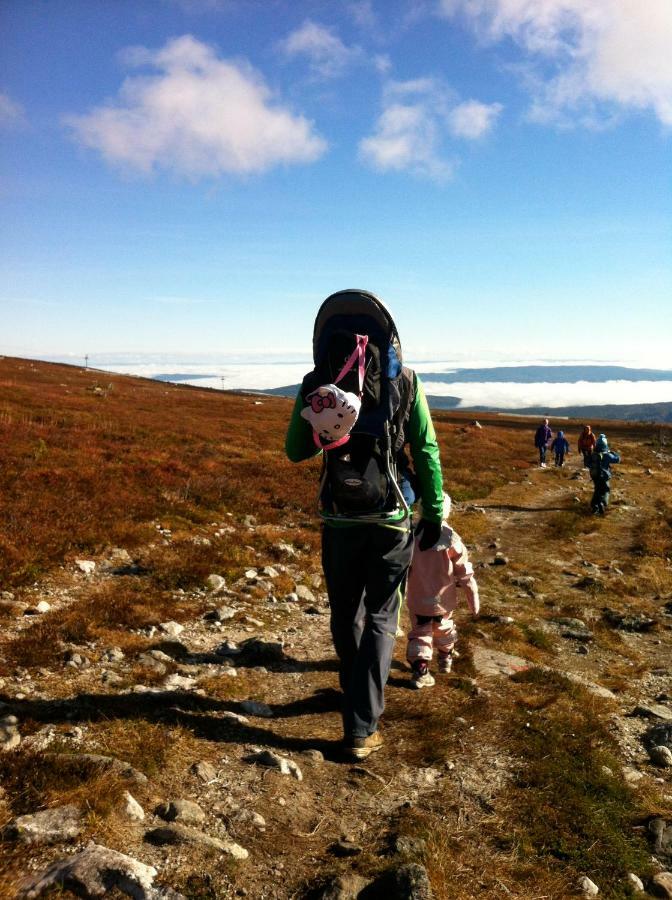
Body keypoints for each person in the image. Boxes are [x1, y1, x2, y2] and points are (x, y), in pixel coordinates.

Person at [285, 290, 444, 760]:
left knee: (345, 615)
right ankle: (361, 725)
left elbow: (297, 450)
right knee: (381, 616)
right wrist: (434, 512)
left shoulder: (316, 383)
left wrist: (328, 423)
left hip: (338, 518)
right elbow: (426, 450)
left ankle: (356, 704)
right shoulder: (407, 382)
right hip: (391, 519)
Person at [406, 493, 479, 688]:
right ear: (447, 512)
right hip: (443, 602)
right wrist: (474, 602)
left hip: (417, 599)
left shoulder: (411, 537)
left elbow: (401, 567)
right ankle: (445, 657)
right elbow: (465, 574)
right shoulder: (453, 541)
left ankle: (421, 669)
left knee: (421, 632)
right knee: (444, 628)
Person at [589, 433, 620, 515]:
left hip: (594, 475)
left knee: (597, 490)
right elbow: (617, 459)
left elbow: (588, 463)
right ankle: (602, 503)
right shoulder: (607, 455)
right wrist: (613, 453)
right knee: (606, 490)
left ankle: (594, 505)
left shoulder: (594, 454)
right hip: (604, 476)